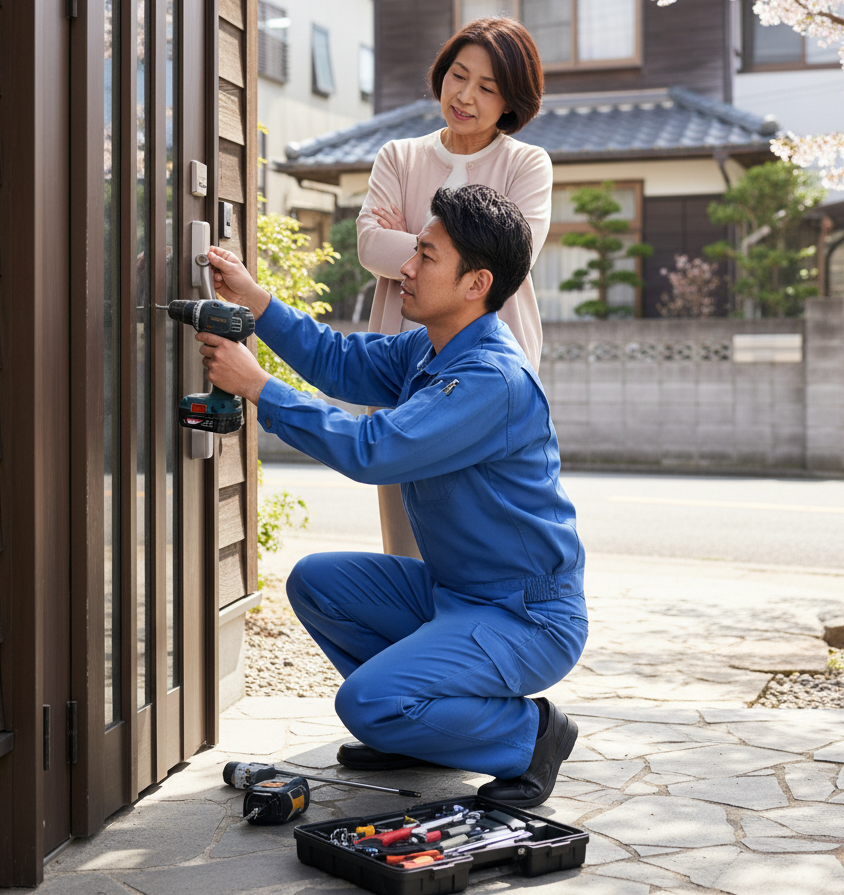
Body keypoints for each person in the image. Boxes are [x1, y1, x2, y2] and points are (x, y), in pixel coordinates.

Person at [198, 185, 586, 807]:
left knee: (365, 702)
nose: (406, 266)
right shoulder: (431, 347)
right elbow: (340, 360)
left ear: (475, 283)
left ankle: (531, 737)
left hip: (525, 617)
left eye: (426, 256)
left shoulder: (491, 379)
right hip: (455, 593)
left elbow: (372, 450)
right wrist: (255, 301)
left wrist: (260, 388)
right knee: (317, 583)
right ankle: (426, 734)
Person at [357, 17, 552, 560]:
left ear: (512, 99)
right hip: (401, 363)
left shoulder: (526, 164)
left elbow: (515, 259)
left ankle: (472, 640)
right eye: (458, 76)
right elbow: (370, 246)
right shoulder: (400, 156)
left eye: (487, 87)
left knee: (484, 534)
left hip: (491, 369)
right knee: (404, 541)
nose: (465, 95)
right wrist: (455, 259)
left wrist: (412, 245)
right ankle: (411, 638)